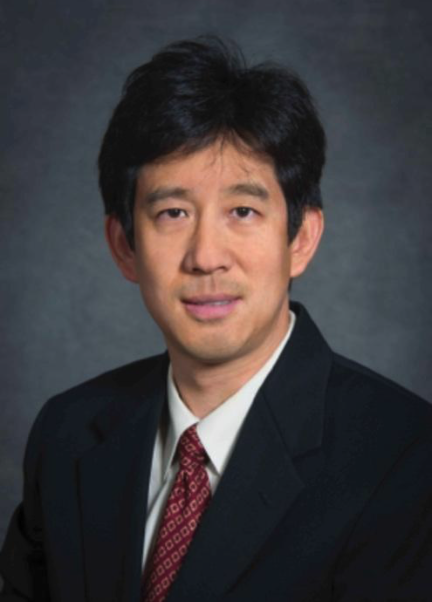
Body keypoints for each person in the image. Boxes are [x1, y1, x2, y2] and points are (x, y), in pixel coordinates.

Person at [1, 36, 431, 602]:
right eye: (173, 212)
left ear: (300, 238)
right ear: (123, 245)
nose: (206, 255)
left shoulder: (405, 459)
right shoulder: (67, 436)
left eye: (243, 211)